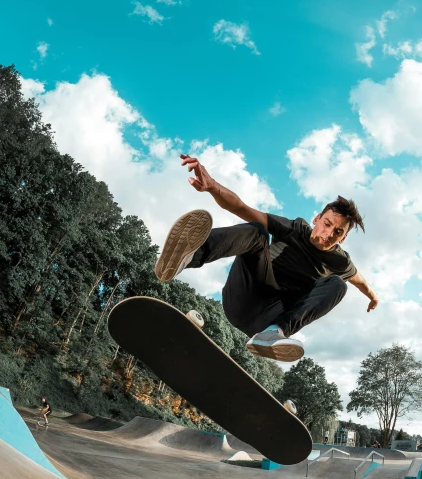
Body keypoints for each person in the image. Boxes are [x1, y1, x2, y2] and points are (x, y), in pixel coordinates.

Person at [154, 154, 379, 361]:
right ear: (317, 218)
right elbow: (241, 207)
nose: (328, 234)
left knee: (338, 285)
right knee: (257, 231)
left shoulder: (341, 262)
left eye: (337, 233)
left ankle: (272, 335)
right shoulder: (293, 228)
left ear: (343, 238)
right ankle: (186, 256)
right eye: (327, 224)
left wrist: (373, 297)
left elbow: (360, 281)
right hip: (243, 297)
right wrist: (213, 187)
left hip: (269, 319)